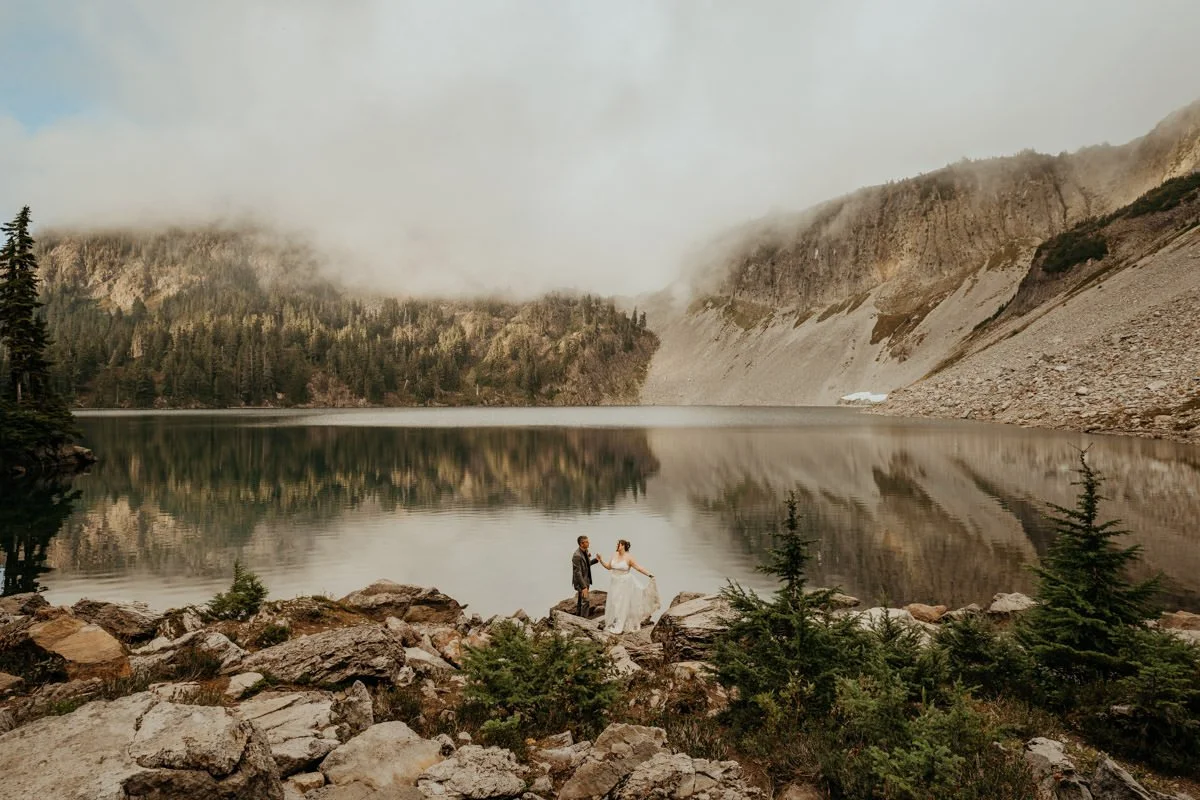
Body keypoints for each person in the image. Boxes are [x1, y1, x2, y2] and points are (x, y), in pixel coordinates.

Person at [598, 539, 659, 634]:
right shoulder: (614, 555)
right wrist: (601, 560)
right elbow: (609, 567)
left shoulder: (629, 558)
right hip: (614, 582)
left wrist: (649, 574)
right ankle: (614, 622)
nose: (617, 545)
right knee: (614, 602)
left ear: (623, 546)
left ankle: (620, 625)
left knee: (622, 604)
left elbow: (638, 568)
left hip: (625, 583)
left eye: (618, 544)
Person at [572, 535, 601, 617]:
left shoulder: (585, 551)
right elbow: (577, 573)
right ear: (581, 544)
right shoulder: (576, 555)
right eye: (587, 542)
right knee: (586, 602)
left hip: (586, 580)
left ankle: (577, 620)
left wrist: (596, 560)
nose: (589, 543)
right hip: (581, 582)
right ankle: (584, 622)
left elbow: (586, 565)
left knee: (580, 602)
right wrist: (584, 587)